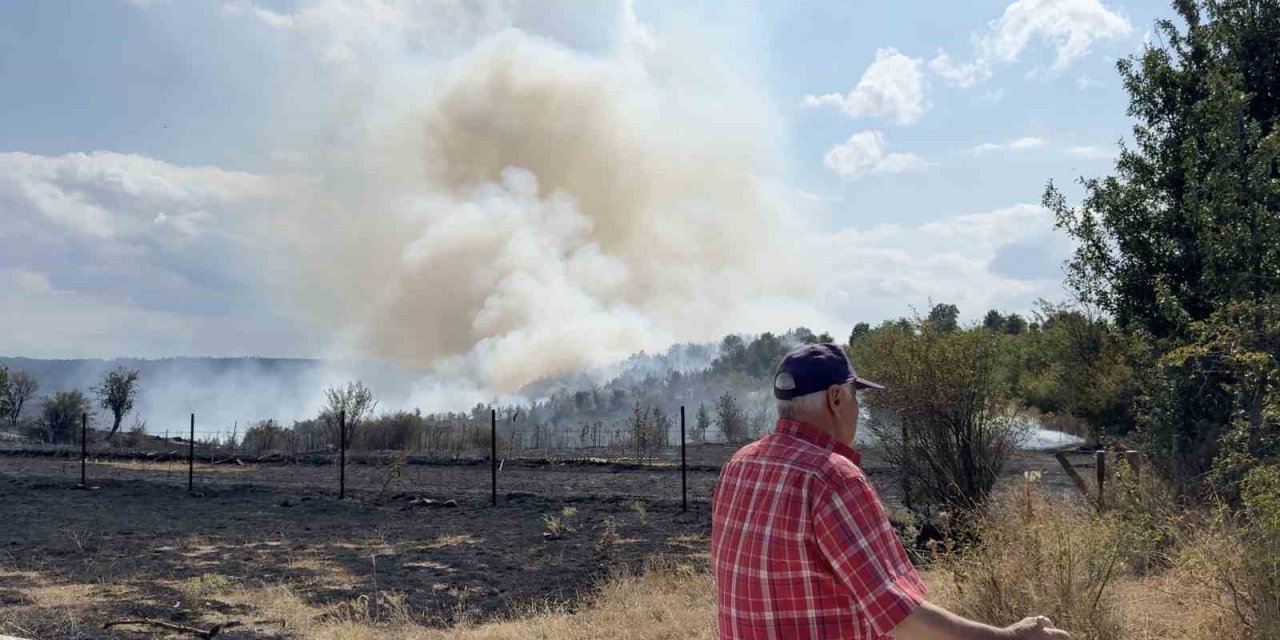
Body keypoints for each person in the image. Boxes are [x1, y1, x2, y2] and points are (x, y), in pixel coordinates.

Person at [710, 343, 1069, 640]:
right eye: (855, 397)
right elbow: (899, 615)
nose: (857, 409)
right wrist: (1006, 637)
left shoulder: (740, 465)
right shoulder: (833, 478)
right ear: (836, 398)